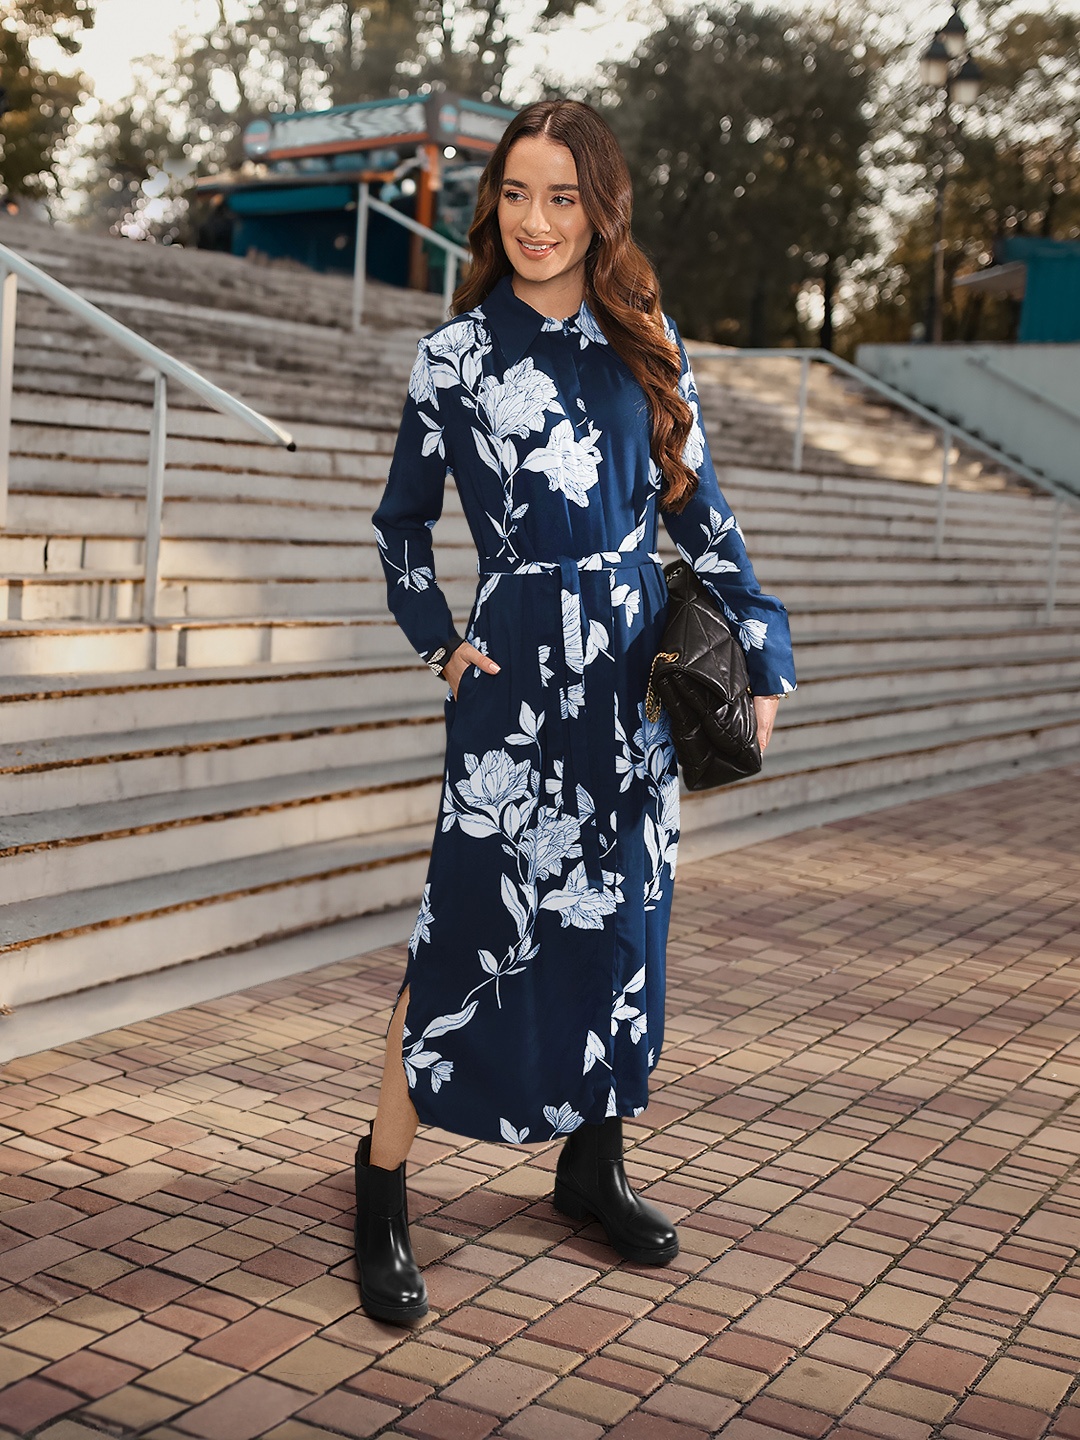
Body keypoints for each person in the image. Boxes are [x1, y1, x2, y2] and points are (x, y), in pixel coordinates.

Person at [362, 99, 796, 1325]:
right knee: (461, 935)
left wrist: (762, 656)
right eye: (515, 194)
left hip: (628, 689)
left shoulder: (641, 338)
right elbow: (400, 528)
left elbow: (702, 519)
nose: (536, 220)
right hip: (507, 697)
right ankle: (383, 1181)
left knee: (619, 936)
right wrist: (440, 645)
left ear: (600, 208)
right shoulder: (453, 357)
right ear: (490, 205)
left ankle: (592, 1167)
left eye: (563, 197)